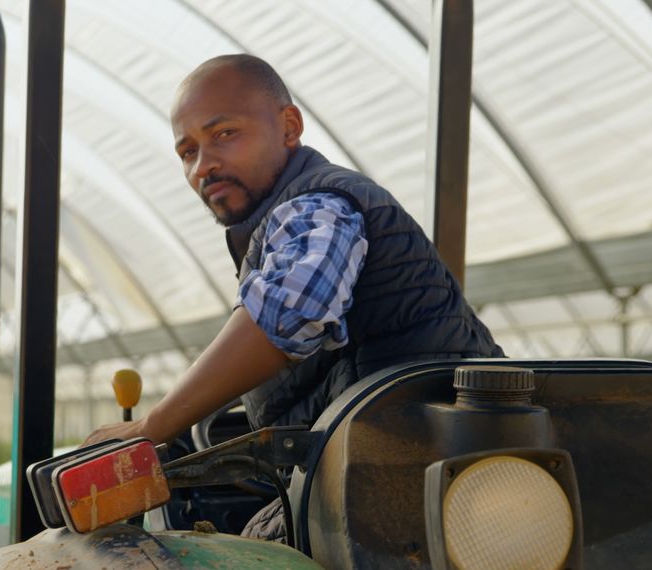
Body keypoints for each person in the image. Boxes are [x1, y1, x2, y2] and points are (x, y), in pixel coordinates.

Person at [83, 54, 504, 541]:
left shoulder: (319, 206)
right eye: (187, 151)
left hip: (412, 481)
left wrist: (151, 427)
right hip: (388, 466)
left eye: (225, 134)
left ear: (289, 126)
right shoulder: (279, 223)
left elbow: (288, 314)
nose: (204, 165)